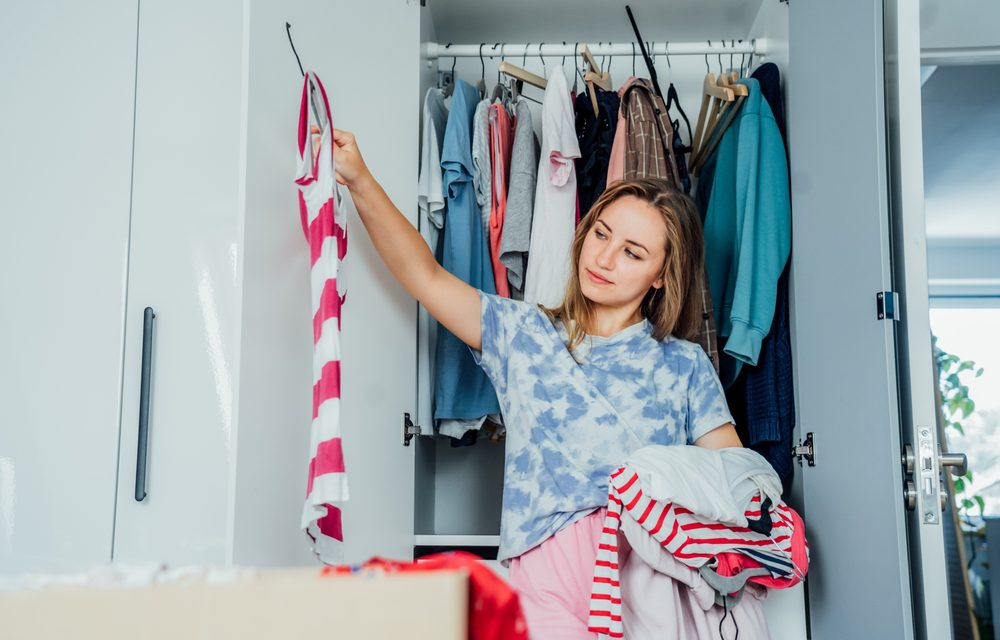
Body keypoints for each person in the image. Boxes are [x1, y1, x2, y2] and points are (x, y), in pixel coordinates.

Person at [325, 127, 742, 639]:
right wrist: (359, 178)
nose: (605, 258)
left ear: (662, 274)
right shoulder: (522, 333)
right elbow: (425, 276)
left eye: (633, 252)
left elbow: (733, 486)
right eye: (602, 233)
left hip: (650, 573)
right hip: (543, 569)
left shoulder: (685, 365)